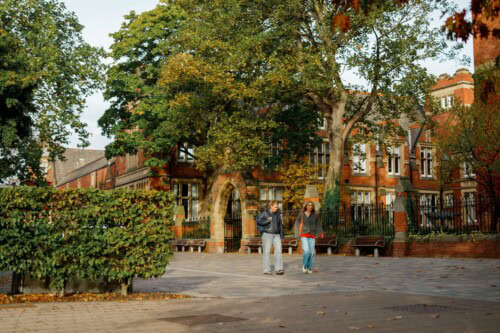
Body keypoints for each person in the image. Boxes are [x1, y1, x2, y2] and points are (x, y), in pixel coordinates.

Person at [295, 201, 323, 274]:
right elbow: (297, 224)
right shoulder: (301, 214)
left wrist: (321, 232)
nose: (310, 206)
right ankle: (305, 265)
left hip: (312, 235)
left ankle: (309, 267)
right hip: (304, 235)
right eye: (309, 205)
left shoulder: (315, 215)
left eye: (311, 205)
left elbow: (318, 224)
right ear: (306, 206)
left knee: (312, 252)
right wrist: (297, 234)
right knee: (306, 251)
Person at [256, 200, 284, 275]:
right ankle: (267, 269)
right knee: (266, 252)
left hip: (277, 234)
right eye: (275, 207)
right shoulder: (265, 213)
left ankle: (279, 269)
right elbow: (258, 222)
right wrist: (268, 221)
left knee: (279, 251)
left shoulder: (278, 214)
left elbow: (280, 225)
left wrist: (281, 235)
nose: (276, 208)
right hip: (267, 234)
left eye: (277, 207)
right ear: (271, 206)